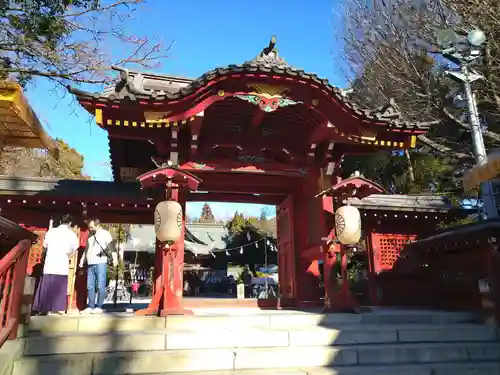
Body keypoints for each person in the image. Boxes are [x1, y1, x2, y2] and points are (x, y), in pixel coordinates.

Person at [33, 214, 79, 315]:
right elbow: (75, 248)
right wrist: (69, 254)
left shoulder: (52, 231)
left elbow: (45, 245)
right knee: (59, 286)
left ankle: (43, 308)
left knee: (47, 286)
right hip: (62, 263)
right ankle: (56, 308)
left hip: (50, 262)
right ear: (70, 223)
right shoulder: (71, 235)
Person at [79, 218, 113, 314]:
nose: (90, 228)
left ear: (97, 225)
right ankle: (90, 305)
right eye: (89, 227)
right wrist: (82, 260)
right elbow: (86, 249)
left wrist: (114, 259)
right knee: (90, 285)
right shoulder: (90, 235)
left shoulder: (105, 233)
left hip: (100, 261)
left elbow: (111, 246)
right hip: (90, 262)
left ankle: (99, 306)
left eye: (92, 227)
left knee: (100, 285)